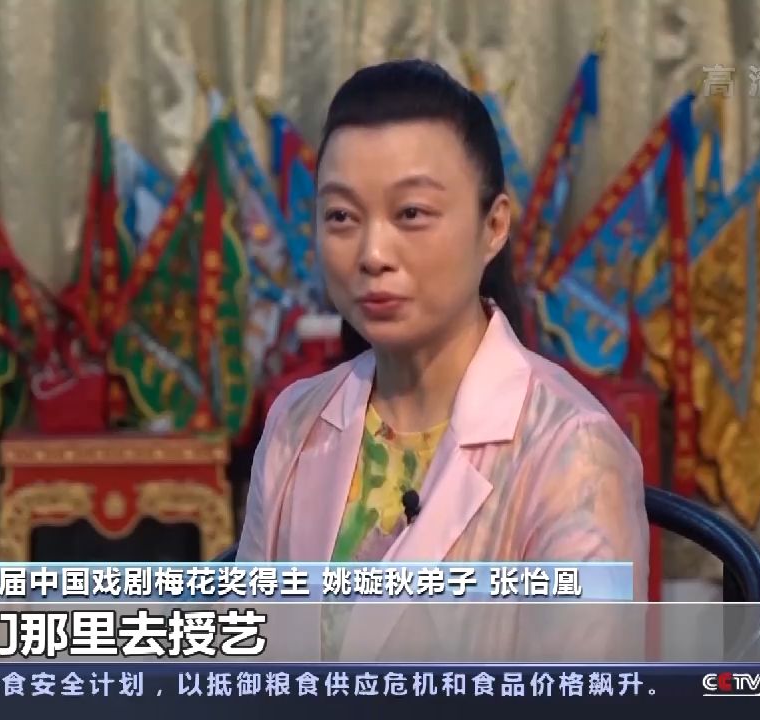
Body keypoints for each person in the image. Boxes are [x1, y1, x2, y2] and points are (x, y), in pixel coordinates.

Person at [236, 59, 648, 660]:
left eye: (411, 214)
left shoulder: (572, 451)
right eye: (342, 217)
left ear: (494, 226)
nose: (373, 253)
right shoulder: (295, 422)